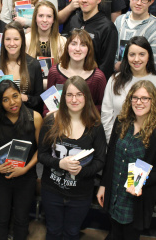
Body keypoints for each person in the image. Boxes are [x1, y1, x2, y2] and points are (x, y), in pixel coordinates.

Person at [97, 80, 156, 240]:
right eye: (135, 98)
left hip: (135, 198)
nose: (139, 102)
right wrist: (103, 185)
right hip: (115, 190)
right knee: (114, 232)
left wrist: (139, 183)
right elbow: (110, 158)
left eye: (145, 98)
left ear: (153, 102)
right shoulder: (121, 122)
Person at [38, 76, 106, 239]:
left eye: (79, 94)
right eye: (69, 95)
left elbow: (100, 161)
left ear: (86, 97)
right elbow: (42, 155)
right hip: (52, 191)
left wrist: (82, 170)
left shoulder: (95, 126)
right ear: (63, 97)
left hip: (80, 194)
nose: (74, 99)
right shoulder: (50, 122)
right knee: (53, 231)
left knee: (72, 233)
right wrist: (60, 163)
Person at [0, 80, 42, 240]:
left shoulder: (35, 118)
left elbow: (41, 150)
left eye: (15, 96)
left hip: (26, 177)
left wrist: (25, 169)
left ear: (21, 96)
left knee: (21, 219)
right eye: (5, 99)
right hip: (0, 176)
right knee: (1, 219)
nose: (12, 102)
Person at [101, 36, 156, 143]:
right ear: (126, 57)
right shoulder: (115, 80)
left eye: (142, 54)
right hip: (116, 142)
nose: (136, 59)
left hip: (145, 144)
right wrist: (111, 141)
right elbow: (106, 114)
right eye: (132, 54)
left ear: (149, 56)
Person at [62, 0, 118, 80]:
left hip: (92, 84)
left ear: (99, 0)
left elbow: (106, 66)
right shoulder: (73, 20)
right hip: (70, 80)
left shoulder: (107, 27)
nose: (84, 0)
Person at [0, 21, 43, 113]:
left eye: (16, 39)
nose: (12, 43)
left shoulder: (33, 64)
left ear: (22, 40)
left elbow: (39, 98)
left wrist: (26, 98)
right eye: (8, 39)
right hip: (2, 118)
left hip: (26, 116)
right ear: (3, 41)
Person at [45, 29, 106, 115]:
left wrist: (78, 112)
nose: (77, 49)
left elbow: (102, 107)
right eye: (73, 44)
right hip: (60, 122)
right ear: (67, 47)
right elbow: (47, 107)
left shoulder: (98, 77)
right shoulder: (54, 72)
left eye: (83, 45)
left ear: (89, 49)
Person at [115, 0, 156, 69]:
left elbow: (152, 66)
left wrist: (124, 67)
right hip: (117, 77)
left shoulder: (155, 31)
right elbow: (111, 55)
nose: (139, 3)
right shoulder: (119, 21)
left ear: (151, 2)